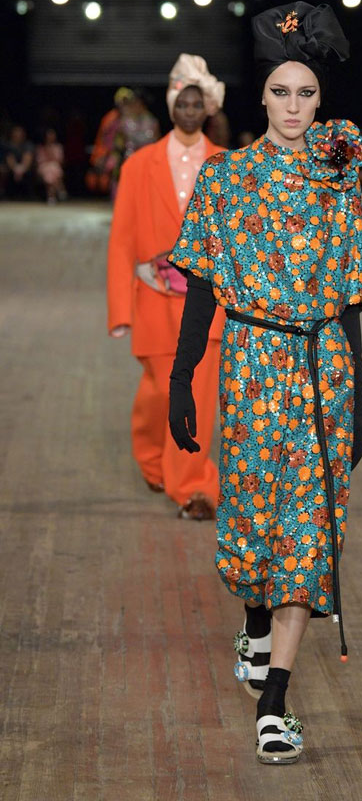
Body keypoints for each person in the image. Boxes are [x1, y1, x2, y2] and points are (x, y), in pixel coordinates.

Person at [167, 1, 362, 764]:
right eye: (281, 92)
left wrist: (361, 397)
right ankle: (253, 624)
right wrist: (182, 377)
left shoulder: (338, 177)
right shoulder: (225, 180)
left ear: (321, 100)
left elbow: (348, 293)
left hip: (324, 372)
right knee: (254, 526)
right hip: (252, 371)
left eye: (307, 93)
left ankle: (275, 702)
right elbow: (200, 285)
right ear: (259, 96)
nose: (294, 107)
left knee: (307, 536)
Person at [107, 54, 226, 519]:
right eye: (183, 102)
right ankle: (153, 461)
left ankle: (192, 487)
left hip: (208, 302)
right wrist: (120, 310)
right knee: (158, 393)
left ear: (207, 108)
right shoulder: (139, 165)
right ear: (172, 105)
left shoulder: (227, 165)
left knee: (197, 394)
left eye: (198, 104)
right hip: (154, 296)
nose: (190, 111)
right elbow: (122, 239)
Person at [86, 87, 134, 196]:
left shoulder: (132, 118)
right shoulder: (110, 118)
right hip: (112, 153)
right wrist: (102, 155)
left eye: (127, 101)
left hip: (129, 152)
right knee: (112, 172)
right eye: (123, 101)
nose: (124, 104)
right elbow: (103, 139)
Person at [36, 128, 67, 204]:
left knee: (53, 169)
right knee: (50, 171)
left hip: (55, 167)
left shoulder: (58, 147)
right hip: (43, 167)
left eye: (52, 135)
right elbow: (39, 161)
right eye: (49, 135)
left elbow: (60, 160)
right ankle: (60, 188)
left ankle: (51, 196)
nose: (50, 137)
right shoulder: (41, 147)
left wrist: (50, 151)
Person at [5, 125, 35, 199]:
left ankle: (28, 195)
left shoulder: (28, 145)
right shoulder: (8, 145)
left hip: (25, 168)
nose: (17, 136)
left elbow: (28, 158)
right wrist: (16, 169)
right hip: (12, 168)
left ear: (23, 135)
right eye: (16, 134)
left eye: (19, 134)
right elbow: (9, 159)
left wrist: (21, 170)